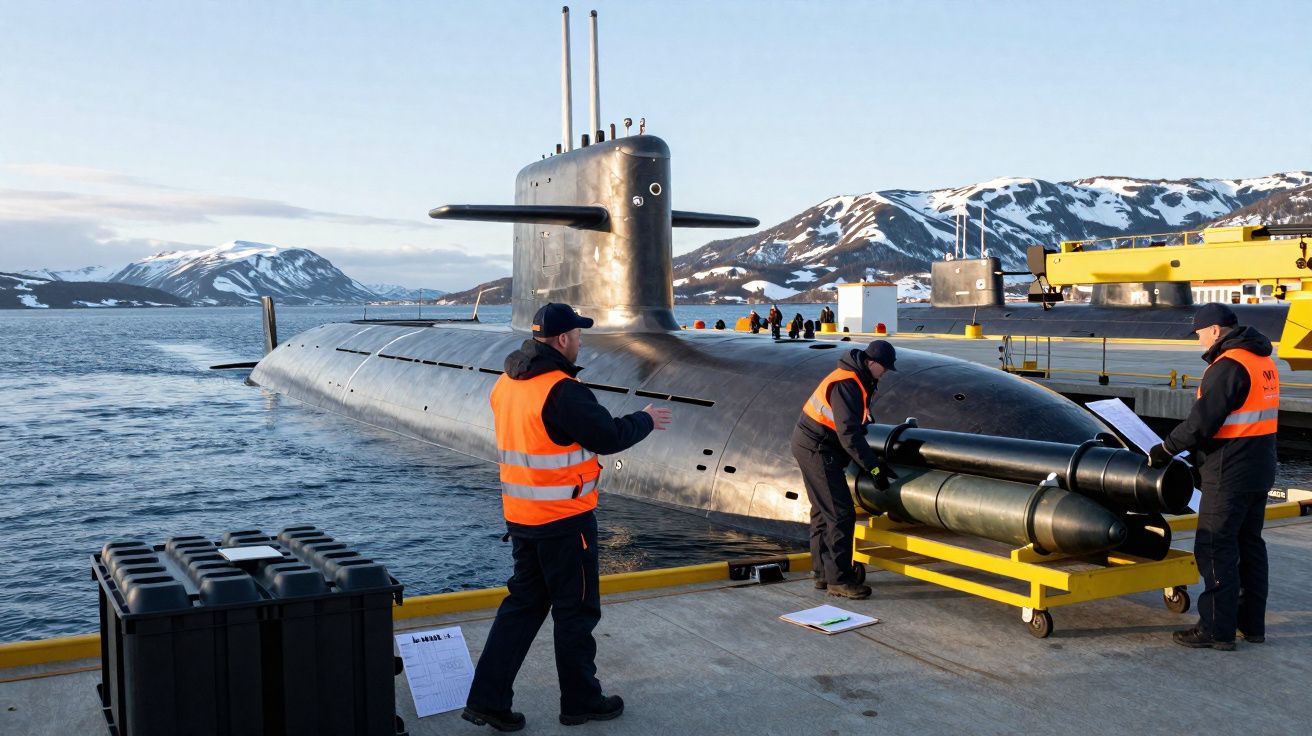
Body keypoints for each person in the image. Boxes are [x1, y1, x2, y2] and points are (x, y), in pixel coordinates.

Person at [464, 303, 674, 731]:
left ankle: (487, 700)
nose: (581, 342)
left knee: (522, 607)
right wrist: (646, 420)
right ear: (562, 340)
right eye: (578, 335)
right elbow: (608, 436)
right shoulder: (562, 390)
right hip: (565, 521)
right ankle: (581, 701)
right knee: (575, 613)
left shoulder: (507, 382)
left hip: (522, 517)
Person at [1148, 303, 1277, 651]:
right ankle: (1251, 625)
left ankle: (1216, 630)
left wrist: (1165, 448)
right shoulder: (1262, 361)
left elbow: (1202, 424)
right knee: (1250, 546)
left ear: (1216, 331)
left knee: (1215, 545)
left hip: (1229, 470)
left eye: (1200, 333)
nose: (1199, 341)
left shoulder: (1228, 366)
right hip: (1260, 467)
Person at [790, 340, 899, 599]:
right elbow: (848, 433)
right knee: (840, 514)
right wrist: (874, 469)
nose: (884, 374)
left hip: (810, 443)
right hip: (818, 449)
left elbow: (852, 419)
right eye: (883, 369)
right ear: (872, 363)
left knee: (822, 511)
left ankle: (822, 573)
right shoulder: (848, 383)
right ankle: (839, 580)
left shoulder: (857, 377)